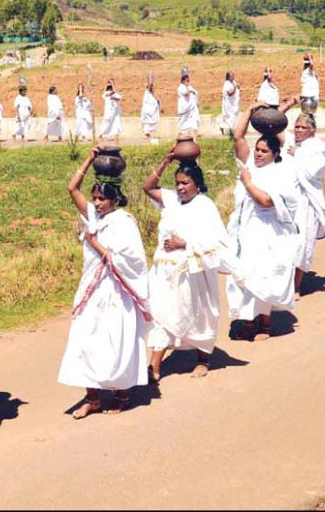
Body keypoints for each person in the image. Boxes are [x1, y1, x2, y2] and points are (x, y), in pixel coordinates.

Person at [59, 148, 150, 418]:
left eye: (102, 199)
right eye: (95, 198)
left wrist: (93, 242)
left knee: (114, 341)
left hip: (116, 293)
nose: (97, 203)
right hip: (93, 292)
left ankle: (121, 394)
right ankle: (92, 397)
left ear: (114, 200)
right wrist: (89, 158)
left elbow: (130, 261)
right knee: (86, 339)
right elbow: (71, 187)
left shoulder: (124, 222)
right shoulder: (94, 217)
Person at [143, 154, 237, 380]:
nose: (180, 187)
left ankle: (203, 359)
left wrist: (184, 244)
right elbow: (148, 187)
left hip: (194, 273)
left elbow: (217, 242)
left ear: (197, 184)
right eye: (177, 183)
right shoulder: (172, 200)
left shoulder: (205, 206)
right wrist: (166, 160)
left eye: (185, 183)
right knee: (162, 315)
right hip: (165, 272)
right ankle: (154, 367)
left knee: (199, 315)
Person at [226, 105, 300, 341]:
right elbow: (237, 136)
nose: (258, 154)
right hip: (247, 230)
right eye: (257, 150)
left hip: (270, 232)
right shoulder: (250, 166)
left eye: (263, 151)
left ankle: (265, 324)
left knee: (266, 275)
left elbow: (267, 201)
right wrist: (248, 111)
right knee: (245, 276)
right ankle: (250, 320)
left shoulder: (280, 172)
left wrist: (248, 184)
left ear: (274, 154)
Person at [284, 112, 325, 295]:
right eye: (296, 126)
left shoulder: (319, 149)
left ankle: (296, 286)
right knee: (288, 241)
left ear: (312, 130)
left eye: (303, 127)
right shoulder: (291, 146)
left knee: (303, 243)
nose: (298, 130)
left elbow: (313, 173)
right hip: (291, 201)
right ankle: (285, 283)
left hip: (307, 201)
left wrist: (298, 156)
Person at [178, 73, 200, 137]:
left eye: (188, 80)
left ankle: (194, 139)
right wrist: (187, 87)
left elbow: (195, 93)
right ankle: (179, 140)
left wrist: (197, 102)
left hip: (192, 109)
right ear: (182, 81)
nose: (188, 82)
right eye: (186, 81)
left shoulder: (190, 87)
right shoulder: (180, 87)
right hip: (184, 111)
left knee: (194, 125)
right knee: (182, 128)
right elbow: (187, 93)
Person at [220, 71, 240, 135]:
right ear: (229, 77)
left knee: (232, 117)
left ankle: (224, 128)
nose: (233, 76)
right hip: (229, 105)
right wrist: (234, 87)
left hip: (233, 103)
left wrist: (237, 87)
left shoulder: (233, 82)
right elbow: (230, 93)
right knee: (230, 117)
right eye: (232, 75)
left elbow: (237, 88)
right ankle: (231, 131)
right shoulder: (227, 84)